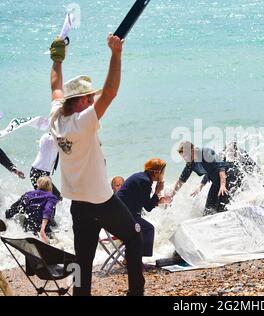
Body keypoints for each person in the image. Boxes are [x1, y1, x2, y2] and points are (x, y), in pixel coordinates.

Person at [48, 34, 144, 296]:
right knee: (135, 236)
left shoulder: (56, 116)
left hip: (77, 203)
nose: (92, 102)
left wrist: (57, 59)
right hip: (102, 201)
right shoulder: (83, 122)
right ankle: (136, 292)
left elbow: (56, 87)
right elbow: (111, 92)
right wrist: (116, 53)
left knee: (84, 260)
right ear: (79, 102)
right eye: (89, 98)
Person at [116, 159, 170, 262]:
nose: (163, 174)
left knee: (142, 227)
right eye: (163, 172)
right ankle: (136, 260)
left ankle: (130, 258)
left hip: (119, 215)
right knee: (148, 229)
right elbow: (148, 207)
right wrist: (157, 191)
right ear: (156, 172)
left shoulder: (140, 177)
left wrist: (157, 199)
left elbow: (143, 203)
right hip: (123, 217)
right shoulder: (144, 181)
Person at [169, 141, 243, 216]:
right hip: (217, 182)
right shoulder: (191, 163)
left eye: (185, 156)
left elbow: (221, 166)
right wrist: (172, 196)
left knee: (221, 209)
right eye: (183, 157)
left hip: (230, 177)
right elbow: (181, 180)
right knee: (208, 210)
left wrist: (223, 184)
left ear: (192, 150)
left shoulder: (205, 153)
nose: (184, 159)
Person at [5, 176, 58, 244]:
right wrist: (42, 229)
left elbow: (16, 208)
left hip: (28, 226)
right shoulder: (51, 197)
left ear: (38, 184)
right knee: (55, 242)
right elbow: (48, 210)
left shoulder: (28, 194)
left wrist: (7, 217)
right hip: (43, 228)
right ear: (50, 186)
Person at [30, 133, 61, 199]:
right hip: (38, 173)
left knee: (49, 198)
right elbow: (67, 149)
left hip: (37, 172)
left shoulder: (47, 136)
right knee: (54, 197)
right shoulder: (52, 139)